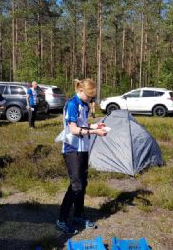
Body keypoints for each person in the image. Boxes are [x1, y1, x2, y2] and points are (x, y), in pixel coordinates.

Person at [56, 78, 107, 235]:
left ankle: (78, 215)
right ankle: (62, 220)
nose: (90, 99)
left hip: (83, 148)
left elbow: (82, 124)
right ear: (81, 91)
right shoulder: (71, 104)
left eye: (92, 97)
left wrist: (95, 126)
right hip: (72, 149)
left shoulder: (84, 104)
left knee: (83, 183)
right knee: (76, 185)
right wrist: (95, 132)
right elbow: (73, 130)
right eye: (89, 96)